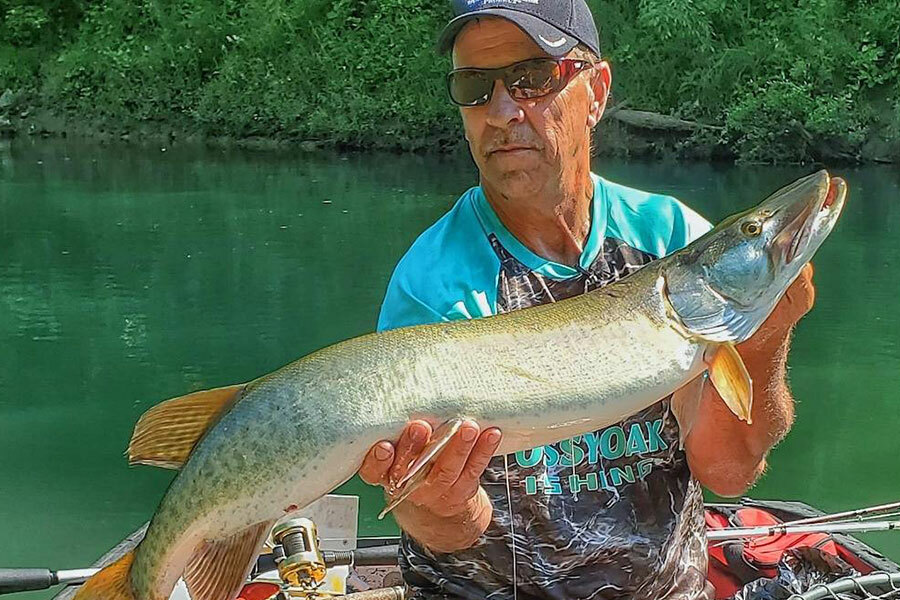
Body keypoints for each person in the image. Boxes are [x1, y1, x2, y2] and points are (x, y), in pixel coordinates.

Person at [359, 1, 816, 599]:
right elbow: (450, 531)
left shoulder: (670, 241)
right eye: (475, 87)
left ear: (595, 91)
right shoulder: (437, 284)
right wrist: (437, 500)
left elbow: (727, 471)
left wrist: (763, 337)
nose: (501, 111)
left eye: (532, 79)